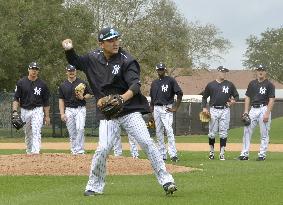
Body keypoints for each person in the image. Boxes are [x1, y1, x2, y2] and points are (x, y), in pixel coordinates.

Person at [62, 26, 177, 196]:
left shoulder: (126, 60)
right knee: (103, 148)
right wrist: (69, 49)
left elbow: (135, 85)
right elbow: (76, 61)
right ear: (101, 44)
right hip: (108, 114)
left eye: (117, 38)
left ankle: (166, 180)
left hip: (129, 110)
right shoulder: (93, 58)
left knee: (146, 142)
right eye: (110, 40)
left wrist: (122, 98)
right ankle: (94, 185)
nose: (115, 42)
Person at [238, 65, 275, 161]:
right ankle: (244, 154)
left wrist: (267, 113)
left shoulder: (269, 84)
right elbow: (247, 97)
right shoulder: (252, 83)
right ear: (256, 72)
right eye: (259, 70)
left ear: (265, 72)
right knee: (246, 130)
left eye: (262, 70)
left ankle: (262, 154)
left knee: (264, 133)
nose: (260, 71)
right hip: (253, 109)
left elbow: (271, 100)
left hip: (264, 108)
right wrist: (246, 111)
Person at [201, 66, 239, 160]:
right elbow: (204, 97)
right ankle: (211, 152)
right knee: (212, 133)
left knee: (223, 133)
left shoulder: (229, 84)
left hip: (225, 110)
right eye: (222, 71)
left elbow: (236, 96)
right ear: (218, 72)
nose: (223, 73)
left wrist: (233, 101)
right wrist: (204, 108)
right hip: (213, 110)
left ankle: (222, 153)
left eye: (225, 72)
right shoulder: (211, 85)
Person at [12, 62, 50, 154]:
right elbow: (16, 98)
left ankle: (35, 152)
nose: (34, 71)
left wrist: (47, 116)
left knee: (36, 131)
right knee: (28, 133)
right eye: (32, 69)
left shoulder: (43, 84)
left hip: (37, 110)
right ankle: (29, 151)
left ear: (38, 71)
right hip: (25, 110)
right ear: (28, 69)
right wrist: (14, 111)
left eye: (36, 69)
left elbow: (46, 102)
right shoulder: (21, 82)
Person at [149, 63, 183, 162]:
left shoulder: (170, 80)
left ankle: (173, 154)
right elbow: (152, 97)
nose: (160, 71)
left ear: (165, 70)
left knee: (169, 130)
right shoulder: (154, 83)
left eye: (162, 69)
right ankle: (162, 154)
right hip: (156, 108)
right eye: (159, 69)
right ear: (156, 70)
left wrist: (175, 107)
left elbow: (179, 93)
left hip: (166, 108)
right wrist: (151, 109)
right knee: (158, 132)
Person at [58, 64, 93, 155]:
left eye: (73, 71)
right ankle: (74, 151)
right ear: (66, 72)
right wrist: (62, 113)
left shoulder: (82, 83)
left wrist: (83, 97)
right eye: (69, 71)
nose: (71, 72)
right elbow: (61, 100)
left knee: (80, 128)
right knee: (72, 131)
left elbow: (90, 94)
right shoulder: (63, 85)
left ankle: (80, 151)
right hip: (69, 109)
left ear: (75, 71)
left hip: (80, 109)